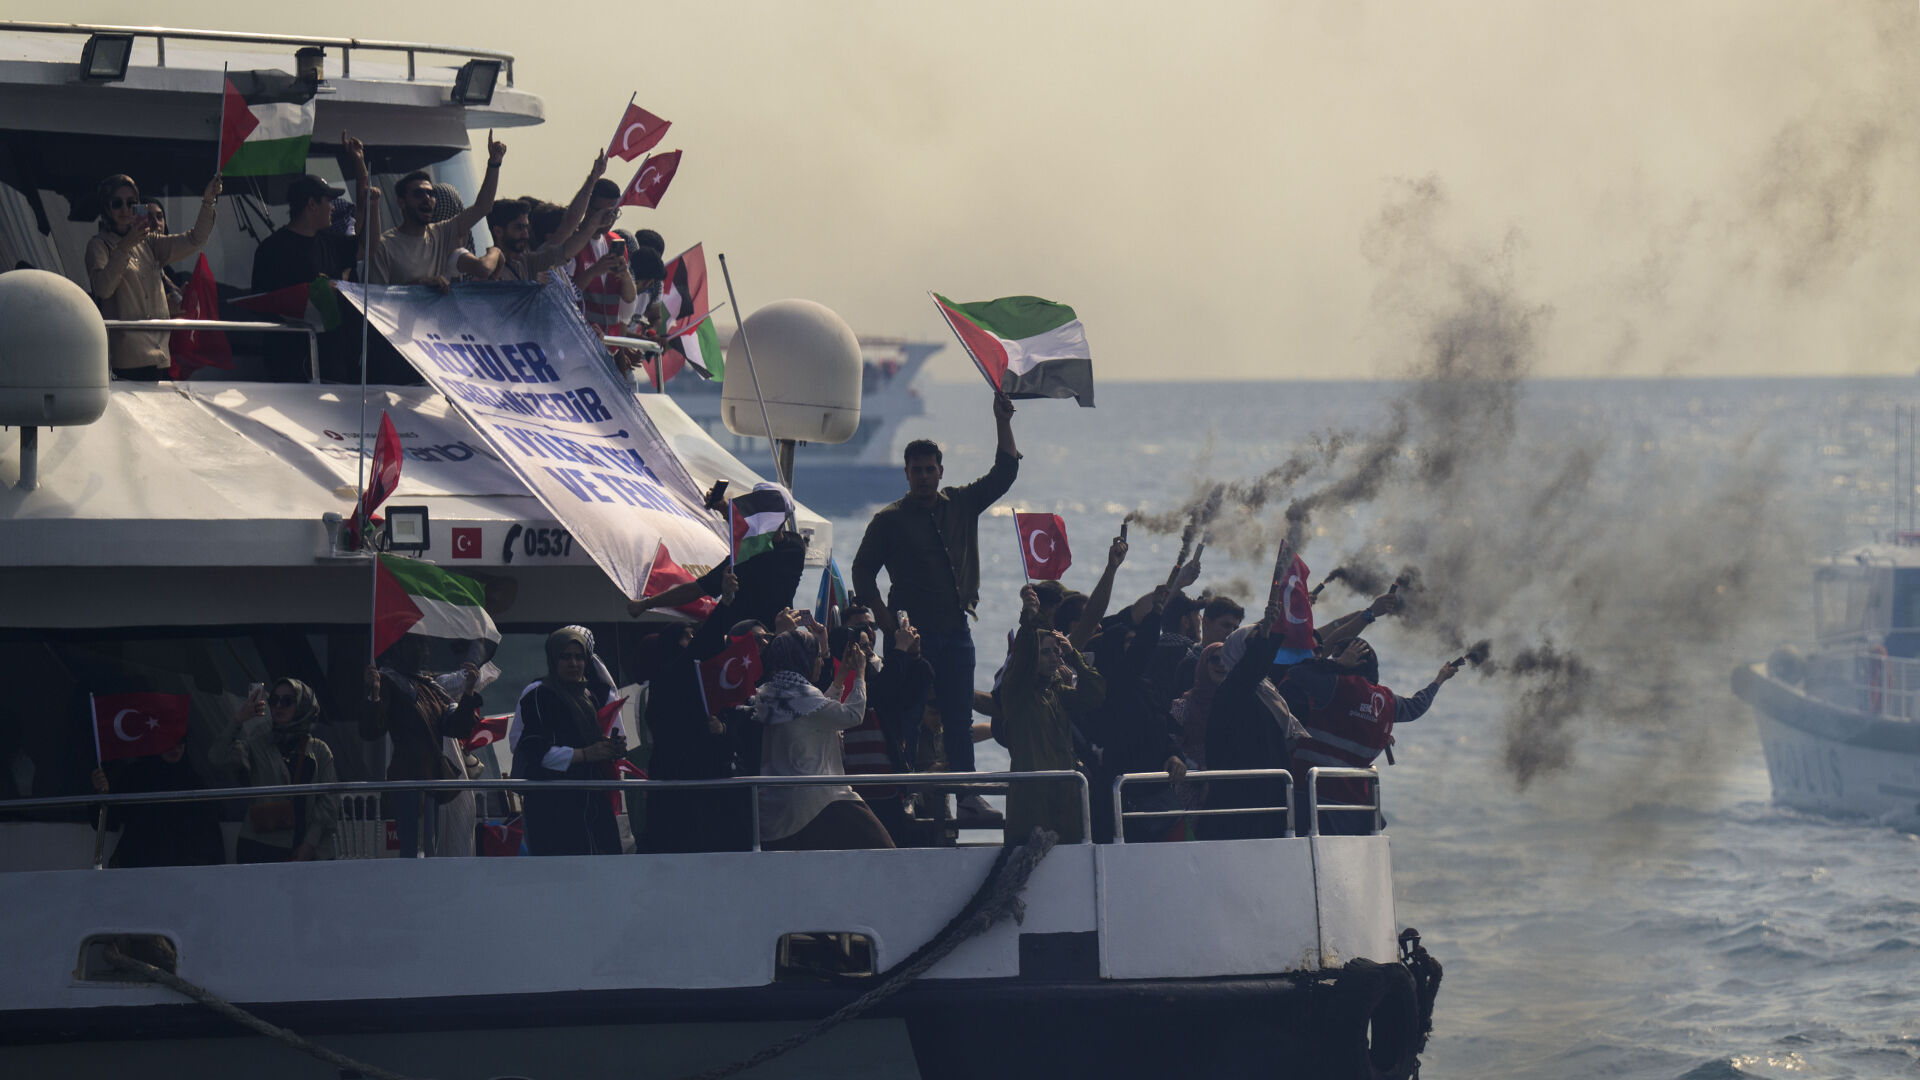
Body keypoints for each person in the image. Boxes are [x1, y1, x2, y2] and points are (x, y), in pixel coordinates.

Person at [852, 393, 1020, 808]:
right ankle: (903, 795)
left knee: (959, 720)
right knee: (906, 718)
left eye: (930, 470)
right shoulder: (889, 520)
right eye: (917, 471)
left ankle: (965, 794)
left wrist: (1001, 420)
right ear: (906, 474)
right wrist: (890, 626)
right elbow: (861, 573)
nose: (924, 477)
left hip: (956, 630)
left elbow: (1004, 473)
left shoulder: (961, 504)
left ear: (941, 471)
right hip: (912, 641)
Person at [1283, 639, 1456, 835]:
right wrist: (1439, 680)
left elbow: (1295, 672)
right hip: (1353, 805)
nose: (1330, 658)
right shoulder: (1386, 701)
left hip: (1308, 796)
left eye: (1336, 655)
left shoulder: (1334, 685)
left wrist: (1337, 665)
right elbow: (1416, 706)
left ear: (1351, 661)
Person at [755, 628, 894, 850]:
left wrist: (841, 675)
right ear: (804, 660)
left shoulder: (773, 693)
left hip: (776, 812)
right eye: (817, 657)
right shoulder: (803, 698)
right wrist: (859, 673)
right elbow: (853, 715)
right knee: (885, 851)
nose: (820, 662)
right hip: (820, 798)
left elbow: (819, 711)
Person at [85, 172, 221, 379]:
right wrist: (125, 246)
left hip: (161, 359)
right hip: (126, 366)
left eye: (131, 203)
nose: (125, 209)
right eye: (117, 203)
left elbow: (195, 240)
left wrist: (208, 201)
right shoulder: (98, 245)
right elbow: (103, 289)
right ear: (106, 208)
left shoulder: (149, 241)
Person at [1000, 585, 1106, 845]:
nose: (1052, 657)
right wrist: (1030, 617)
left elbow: (1095, 695)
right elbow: (1024, 655)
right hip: (1032, 805)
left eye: (1055, 652)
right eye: (1045, 652)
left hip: (1064, 801)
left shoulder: (1058, 692)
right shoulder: (1019, 692)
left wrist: (1073, 656)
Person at [360, 638, 483, 857]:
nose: (423, 651)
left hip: (433, 779)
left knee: (430, 847)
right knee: (415, 850)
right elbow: (370, 731)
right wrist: (375, 692)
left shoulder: (431, 686)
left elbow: (457, 727)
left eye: (424, 645)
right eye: (415, 644)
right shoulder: (388, 681)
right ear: (398, 649)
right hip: (407, 778)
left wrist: (469, 692)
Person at [514, 627, 627, 856]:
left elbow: (590, 741)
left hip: (591, 803)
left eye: (579, 657)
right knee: (561, 879)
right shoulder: (539, 694)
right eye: (565, 657)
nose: (573, 663)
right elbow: (534, 751)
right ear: (553, 659)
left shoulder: (588, 696)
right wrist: (584, 754)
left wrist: (609, 748)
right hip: (554, 807)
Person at [209, 680, 340, 862]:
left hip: (307, 849)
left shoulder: (319, 750)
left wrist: (309, 845)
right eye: (274, 700)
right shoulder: (258, 741)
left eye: (287, 701)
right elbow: (217, 757)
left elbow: (329, 802)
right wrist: (239, 719)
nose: (278, 706)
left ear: (303, 705)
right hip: (260, 846)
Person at [251, 171, 359, 381]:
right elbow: (261, 305)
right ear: (312, 205)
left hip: (333, 360)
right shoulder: (271, 250)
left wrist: (363, 181)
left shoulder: (331, 243)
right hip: (288, 364)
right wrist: (310, 296)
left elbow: (365, 247)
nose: (333, 207)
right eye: (329, 201)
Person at [1200, 612, 1298, 841]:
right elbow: (1254, 664)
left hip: (1268, 800)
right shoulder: (1234, 689)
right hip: (1241, 805)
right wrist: (1271, 632)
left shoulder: (1263, 691)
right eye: (1253, 643)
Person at [366, 131, 504, 289]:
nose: (426, 198)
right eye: (418, 194)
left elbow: (483, 207)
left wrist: (494, 163)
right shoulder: (384, 246)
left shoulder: (442, 232)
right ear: (401, 203)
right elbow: (375, 298)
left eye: (430, 194)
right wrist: (420, 285)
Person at [90, 736, 224, 868]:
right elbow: (108, 821)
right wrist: (102, 795)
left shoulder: (194, 782)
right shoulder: (135, 777)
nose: (175, 748)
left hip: (182, 870)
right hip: (137, 865)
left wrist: (218, 873)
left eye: (180, 742)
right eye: (168, 742)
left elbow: (210, 832)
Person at [568, 178, 639, 335]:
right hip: (580, 340)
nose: (609, 219)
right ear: (588, 208)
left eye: (614, 213)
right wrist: (594, 271)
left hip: (608, 343)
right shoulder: (572, 243)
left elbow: (627, 311)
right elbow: (564, 294)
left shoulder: (616, 243)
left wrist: (626, 276)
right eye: (605, 213)